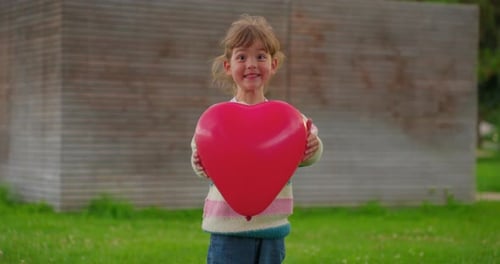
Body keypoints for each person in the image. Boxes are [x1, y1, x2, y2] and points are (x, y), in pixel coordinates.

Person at [190, 14, 323, 264]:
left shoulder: (288, 119)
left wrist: (313, 147)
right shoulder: (215, 121)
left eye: (260, 56)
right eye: (242, 57)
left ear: (273, 64)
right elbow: (200, 159)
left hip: (271, 231)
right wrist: (199, 162)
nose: (251, 64)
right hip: (227, 232)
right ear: (228, 67)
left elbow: (309, 151)